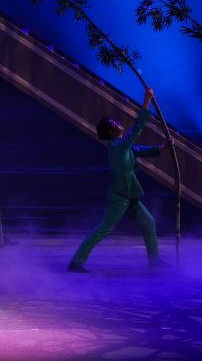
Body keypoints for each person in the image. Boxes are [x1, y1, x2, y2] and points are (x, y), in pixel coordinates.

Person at [67, 87, 168, 272]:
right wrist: (147, 99)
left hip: (129, 195)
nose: (118, 123)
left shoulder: (122, 146)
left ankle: (154, 262)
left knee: (149, 223)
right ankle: (76, 262)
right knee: (103, 230)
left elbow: (138, 150)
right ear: (111, 132)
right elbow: (137, 128)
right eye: (114, 123)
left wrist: (162, 147)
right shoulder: (117, 146)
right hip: (120, 198)